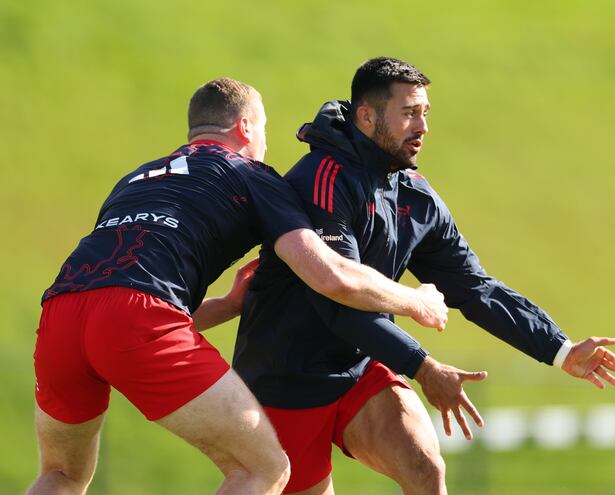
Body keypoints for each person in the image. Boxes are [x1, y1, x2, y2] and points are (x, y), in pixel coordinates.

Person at [28, 77, 449, 495]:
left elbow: (119, 303)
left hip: (61, 314)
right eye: (263, 130)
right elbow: (331, 276)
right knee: (263, 468)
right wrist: (415, 300)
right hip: (136, 315)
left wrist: (230, 304)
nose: (264, 143)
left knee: (61, 476)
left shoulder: (138, 178)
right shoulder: (252, 175)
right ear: (246, 127)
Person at [232, 57, 615, 494]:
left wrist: (560, 349)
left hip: (361, 366)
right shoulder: (322, 180)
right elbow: (338, 304)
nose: (421, 126)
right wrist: (423, 367)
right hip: (286, 380)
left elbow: (475, 289)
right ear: (366, 116)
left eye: (425, 113)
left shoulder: (414, 195)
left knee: (425, 468)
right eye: (408, 113)